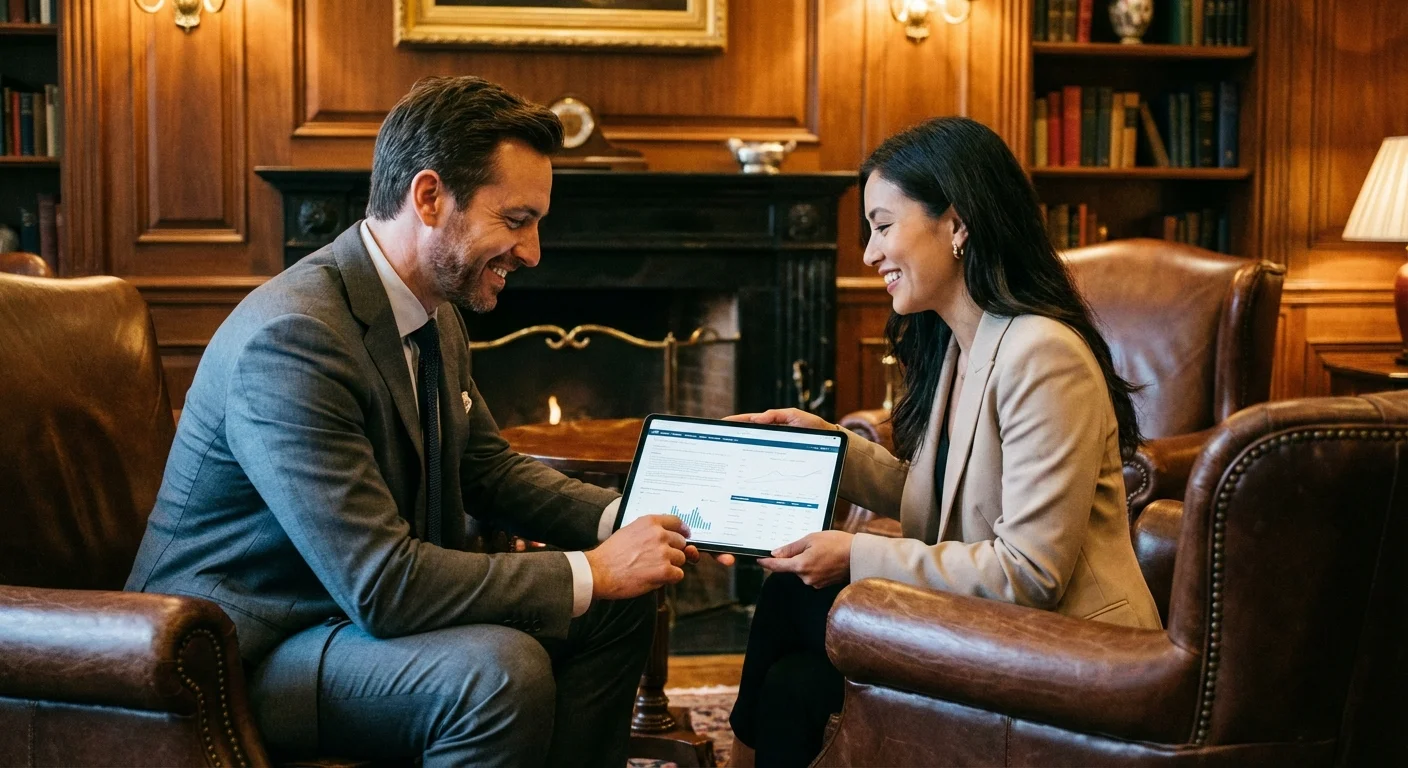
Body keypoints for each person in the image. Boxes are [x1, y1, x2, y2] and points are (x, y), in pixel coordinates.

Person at [125, 76, 728, 768]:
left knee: (622, 604)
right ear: (430, 197)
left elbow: (487, 468)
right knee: (497, 673)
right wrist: (591, 568)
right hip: (241, 649)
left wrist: (628, 518)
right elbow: (383, 585)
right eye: (516, 219)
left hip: (343, 616)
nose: (532, 252)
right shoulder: (292, 337)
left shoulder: (434, 314)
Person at [726, 116, 1162, 767]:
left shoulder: (1042, 354)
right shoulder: (960, 348)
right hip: (996, 628)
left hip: (1069, 648)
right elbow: (948, 500)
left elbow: (1030, 574)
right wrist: (830, 448)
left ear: (956, 224)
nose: (870, 255)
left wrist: (855, 557)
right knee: (793, 686)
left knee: (793, 588)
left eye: (881, 225)